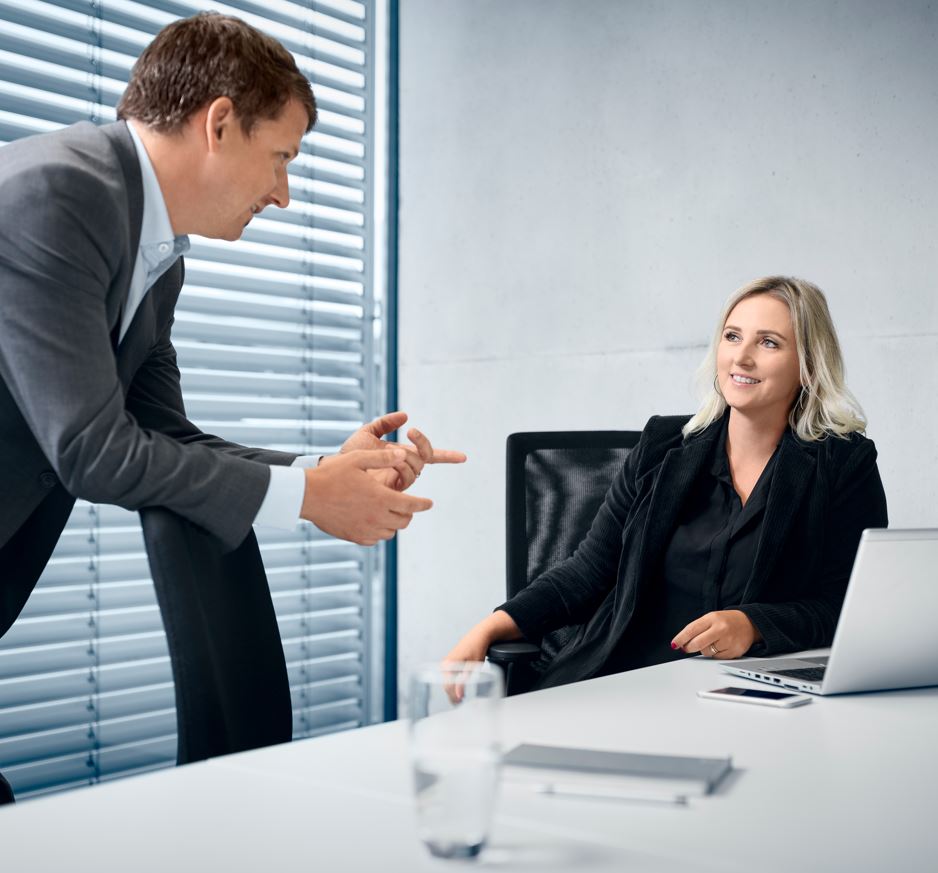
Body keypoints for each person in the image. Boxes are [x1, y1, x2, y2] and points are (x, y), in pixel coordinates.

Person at [0, 13, 463, 801]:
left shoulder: (155, 253)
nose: (283, 193)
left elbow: (163, 435)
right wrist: (313, 499)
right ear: (219, 123)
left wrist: (325, 471)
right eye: (280, 157)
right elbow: (91, 450)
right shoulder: (58, 192)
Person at [445, 276, 887, 691]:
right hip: (624, 680)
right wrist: (489, 627)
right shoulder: (662, 447)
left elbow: (844, 607)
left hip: (744, 694)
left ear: (808, 366)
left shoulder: (842, 464)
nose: (741, 357)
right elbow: (588, 572)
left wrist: (754, 625)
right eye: (732, 336)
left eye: (768, 342)